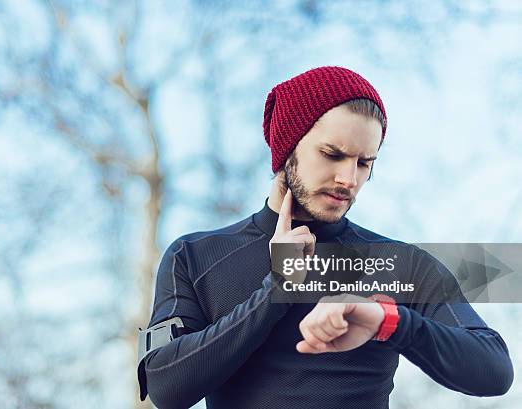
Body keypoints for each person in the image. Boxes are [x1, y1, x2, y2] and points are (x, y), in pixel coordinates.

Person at [136, 66, 514, 409]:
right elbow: (165, 386)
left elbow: (494, 368)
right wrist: (276, 290)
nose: (349, 180)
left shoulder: (399, 263)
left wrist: (389, 322)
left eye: (364, 163)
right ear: (287, 150)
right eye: (332, 154)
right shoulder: (195, 256)